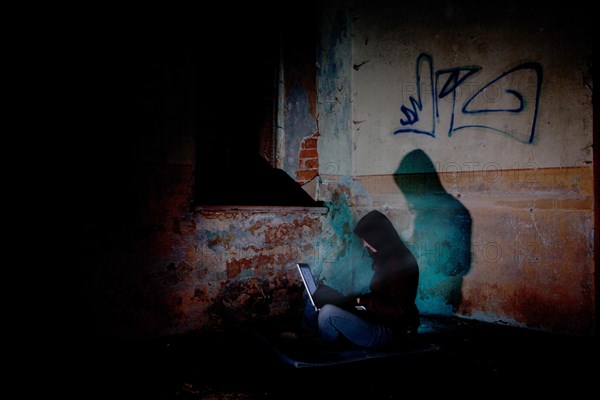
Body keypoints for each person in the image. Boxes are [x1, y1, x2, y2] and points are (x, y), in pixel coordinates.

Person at [301, 210, 419, 349]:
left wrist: (360, 301)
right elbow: (380, 297)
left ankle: (326, 351)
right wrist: (352, 301)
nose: (364, 245)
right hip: (373, 317)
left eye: (365, 240)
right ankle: (306, 336)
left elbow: (400, 309)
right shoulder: (388, 257)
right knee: (318, 293)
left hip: (386, 330)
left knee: (327, 314)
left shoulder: (401, 262)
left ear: (377, 237)